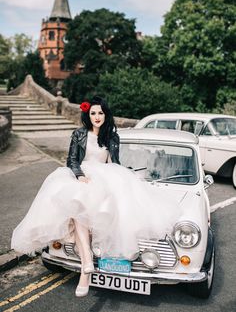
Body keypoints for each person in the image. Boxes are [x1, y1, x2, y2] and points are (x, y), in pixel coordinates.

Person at [11, 96, 181, 298]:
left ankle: (86, 267)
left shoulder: (112, 136)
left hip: (103, 178)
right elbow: (72, 160)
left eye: (100, 113)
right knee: (76, 206)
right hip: (80, 178)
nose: (97, 116)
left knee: (94, 210)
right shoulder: (79, 134)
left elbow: (114, 163)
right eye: (93, 113)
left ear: (105, 115)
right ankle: (87, 263)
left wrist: (117, 180)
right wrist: (81, 176)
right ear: (87, 115)